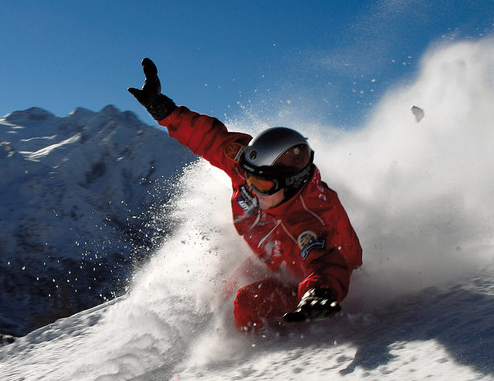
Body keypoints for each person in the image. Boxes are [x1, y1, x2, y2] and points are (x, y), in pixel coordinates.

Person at [129, 58, 362, 333]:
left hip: (309, 284)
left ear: (291, 184)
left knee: (245, 301)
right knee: (223, 291)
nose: (251, 189)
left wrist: (318, 294)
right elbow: (208, 138)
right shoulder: (249, 166)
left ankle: (253, 358)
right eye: (248, 178)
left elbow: (328, 264)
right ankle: (217, 329)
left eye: (261, 186)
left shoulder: (312, 219)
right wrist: (163, 110)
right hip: (272, 258)